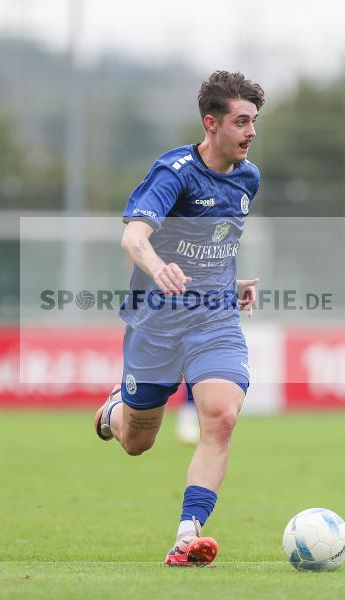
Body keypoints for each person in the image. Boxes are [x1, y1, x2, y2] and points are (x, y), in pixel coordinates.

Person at [93, 70, 264, 567]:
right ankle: (112, 413)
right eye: (241, 121)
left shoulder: (248, 177)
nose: (251, 131)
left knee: (221, 417)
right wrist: (156, 266)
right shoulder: (174, 172)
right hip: (157, 323)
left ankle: (187, 535)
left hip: (213, 320)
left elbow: (212, 247)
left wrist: (228, 287)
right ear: (211, 124)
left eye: (254, 121)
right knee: (136, 442)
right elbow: (133, 237)